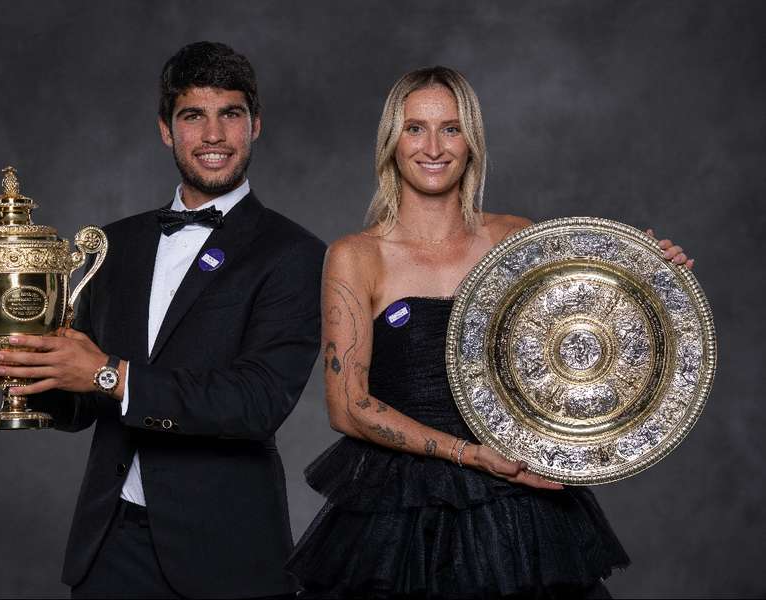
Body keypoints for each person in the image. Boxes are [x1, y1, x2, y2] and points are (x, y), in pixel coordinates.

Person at [286, 66, 693, 599]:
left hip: (521, 508)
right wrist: (469, 455)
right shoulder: (356, 257)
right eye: (415, 128)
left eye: (450, 128)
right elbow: (348, 406)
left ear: (471, 140)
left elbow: (585, 339)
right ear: (391, 141)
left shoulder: (516, 238)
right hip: (401, 515)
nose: (433, 146)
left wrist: (650, 276)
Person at [0, 41, 325, 599]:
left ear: (255, 125)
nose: (214, 135)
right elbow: (80, 402)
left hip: (226, 551)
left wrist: (109, 373)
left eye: (231, 115)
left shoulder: (294, 253)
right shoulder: (110, 245)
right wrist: (17, 370)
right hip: (110, 546)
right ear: (166, 130)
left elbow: (256, 403)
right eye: (193, 116)